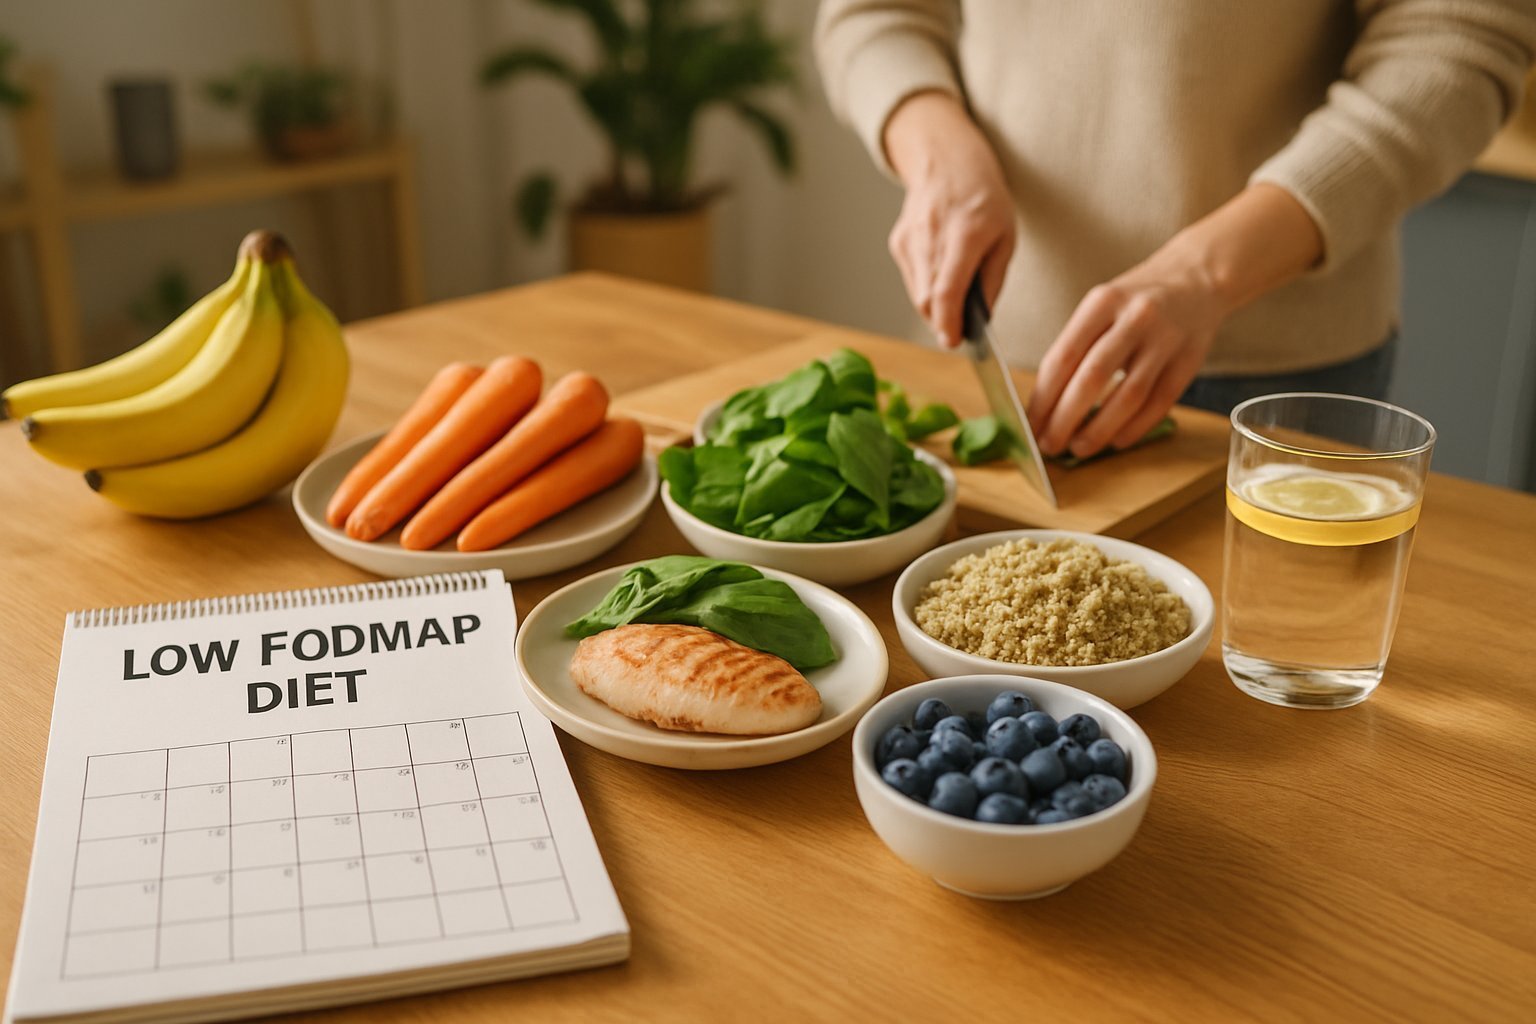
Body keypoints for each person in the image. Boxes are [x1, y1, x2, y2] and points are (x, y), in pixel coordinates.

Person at [815, 2, 1536, 459]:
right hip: (990, 343)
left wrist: (1207, 271)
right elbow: (872, 12)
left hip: (1267, 373)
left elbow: (1462, 35)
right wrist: (937, 152)